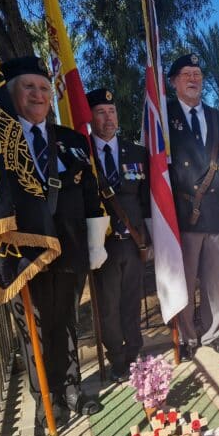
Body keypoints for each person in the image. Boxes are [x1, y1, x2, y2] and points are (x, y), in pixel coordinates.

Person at [2, 56, 109, 424]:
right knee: (34, 328)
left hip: (69, 249)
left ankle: (72, 387)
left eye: (44, 88)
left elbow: (91, 192)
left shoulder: (72, 140)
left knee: (65, 321)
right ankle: (46, 397)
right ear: (12, 92)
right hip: (22, 253)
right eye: (28, 87)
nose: (38, 95)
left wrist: (96, 243)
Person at [166, 53, 219, 359]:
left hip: (218, 211)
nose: (193, 79)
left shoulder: (218, 118)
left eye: (197, 74)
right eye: (186, 74)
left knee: (216, 281)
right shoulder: (162, 118)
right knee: (183, 279)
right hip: (183, 214)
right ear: (174, 82)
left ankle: (212, 333)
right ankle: (187, 337)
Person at [87, 88, 151, 383]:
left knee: (131, 301)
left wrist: (151, 238)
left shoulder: (136, 152)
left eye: (111, 112)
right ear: (90, 117)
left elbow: (147, 199)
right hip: (103, 245)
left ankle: (134, 352)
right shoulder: (83, 153)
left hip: (133, 242)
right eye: (100, 112)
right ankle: (116, 357)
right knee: (108, 305)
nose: (108, 117)